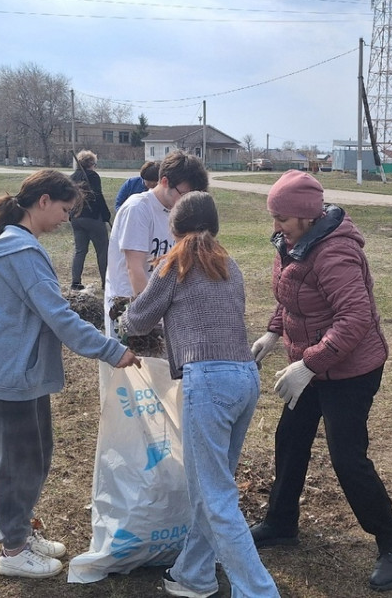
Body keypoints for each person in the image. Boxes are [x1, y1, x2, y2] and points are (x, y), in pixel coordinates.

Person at [0, 169, 140, 580]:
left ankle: (20, 530)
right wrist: (112, 351)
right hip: (7, 376)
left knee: (35, 456)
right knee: (18, 464)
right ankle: (13, 550)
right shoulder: (21, 253)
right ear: (42, 201)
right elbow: (59, 315)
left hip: (15, 372)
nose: (65, 219)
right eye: (63, 209)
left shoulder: (17, 247)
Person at [249, 170, 392, 592]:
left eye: (281, 217)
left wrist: (308, 364)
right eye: (274, 216)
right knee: (289, 438)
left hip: (352, 369)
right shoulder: (292, 243)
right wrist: (273, 331)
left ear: (306, 215)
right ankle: (280, 523)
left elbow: (354, 318)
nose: (275, 226)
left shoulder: (335, 253)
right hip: (315, 364)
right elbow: (293, 299)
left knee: (346, 457)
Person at [121, 191, 279, 598]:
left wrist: (122, 313)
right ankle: (194, 574)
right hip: (245, 377)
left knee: (216, 498)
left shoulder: (174, 264)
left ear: (174, 229)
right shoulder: (231, 265)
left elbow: (138, 321)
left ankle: (259, 592)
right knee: (213, 488)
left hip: (208, 382)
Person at [103, 152, 208, 332]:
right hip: (130, 307)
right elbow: (134, 269)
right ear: (165, 182)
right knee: (132, 360)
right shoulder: (138, 209)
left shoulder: (175, 212)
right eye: (183, 195)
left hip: (156, 306)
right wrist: (149, 316)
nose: (185, 202)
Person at [69, 150, 112, 290]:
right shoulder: (93, 176)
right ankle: (106, 283)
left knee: (80, 250)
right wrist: (106, 215)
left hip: (76, 217)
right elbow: (98, 196)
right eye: (94, 163)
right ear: (91, 163)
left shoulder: (73, 176)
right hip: (93, 217)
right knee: (102, 250)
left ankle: (75, 282)